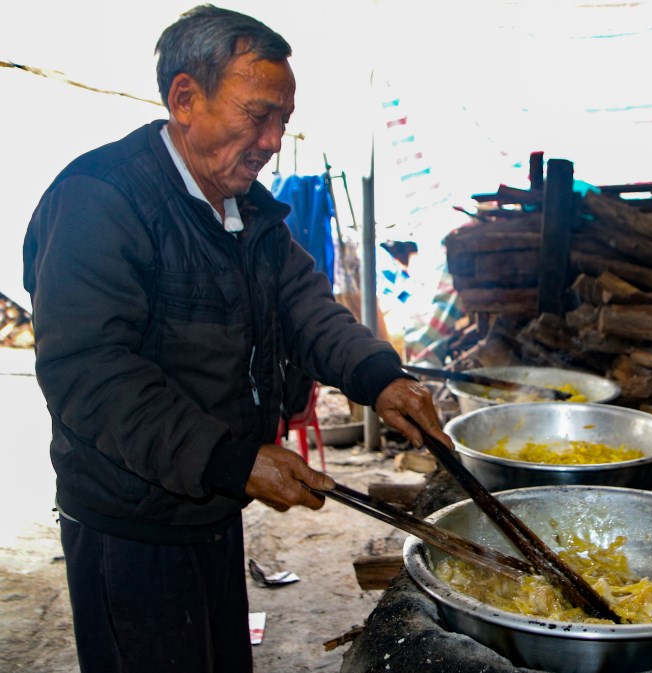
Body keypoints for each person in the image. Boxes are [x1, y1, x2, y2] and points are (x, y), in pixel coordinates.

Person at [21, 5, 451, 672]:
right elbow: (92, 375)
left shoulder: (244, 205)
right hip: (131, 524)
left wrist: (378, 376)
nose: (275, 139)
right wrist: (233, 458)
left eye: (284, 118)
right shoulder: (100, 200)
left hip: (211, 505)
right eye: (260, 115)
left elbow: (305, 305)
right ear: (185, 98)